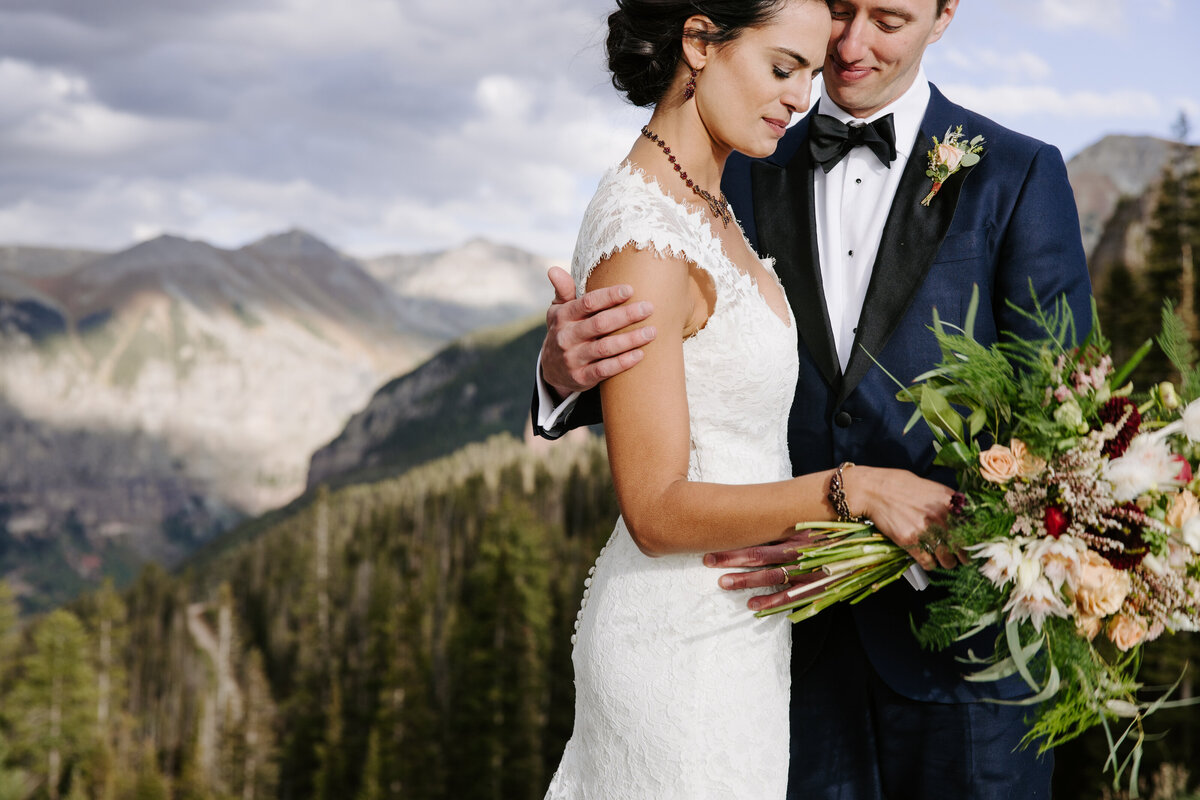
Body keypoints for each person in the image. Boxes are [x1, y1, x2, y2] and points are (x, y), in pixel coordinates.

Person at [534, 0, 1094, 798]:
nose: (852, 46)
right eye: (839, 13)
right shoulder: (741, 159)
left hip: (962, 666)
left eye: (890, 19)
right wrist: (561, 376)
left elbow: (1063, 414)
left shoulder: (1018, 175)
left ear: (944, 15)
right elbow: (663, 356)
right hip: (772, 639)